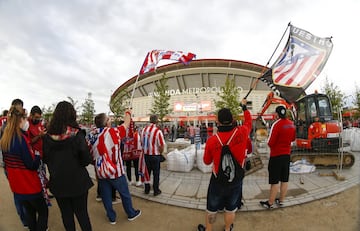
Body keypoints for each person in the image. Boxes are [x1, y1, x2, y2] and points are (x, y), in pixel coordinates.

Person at [198, 99, 251, 231]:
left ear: (218, 122)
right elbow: (249, 122)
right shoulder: (242, 132)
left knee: (212, 208)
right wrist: (244, 108)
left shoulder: (212, 141)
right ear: (232, 119)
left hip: (217, 181)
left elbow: (206, 161)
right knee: (231, 208)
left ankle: (209, 229)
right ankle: (227, 228)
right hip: (236, 179)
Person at [43, 101, 93, 231]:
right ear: (72, 115)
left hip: (58, 183)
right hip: (78, 182)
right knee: (82, 214)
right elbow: (86, 159)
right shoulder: (77, 135)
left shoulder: (47, 137)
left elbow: (46, 159)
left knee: (66, 214)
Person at [1, 104, 49, 231]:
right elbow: (31, 165)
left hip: (17, 186)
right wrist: (38, 155)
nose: (26, 121)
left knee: (30, 214)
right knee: (43, 212)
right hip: (30, 185)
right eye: (25, 118)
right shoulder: (21, 139)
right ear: (20, 120)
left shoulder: (5, 139)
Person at [87, 112, 141, 224]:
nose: (110, 120)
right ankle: (131, 213)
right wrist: (128, 112)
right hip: (116, 171)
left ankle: (111, 217)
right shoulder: (112, 132)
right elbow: (126, 123)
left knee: (106, 196)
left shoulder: (91, 135)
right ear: (106, 123)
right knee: (124, 194)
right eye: (108, 119)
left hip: (101, 171)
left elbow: (89, 153)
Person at [260, 105, 296, 209]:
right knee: (285, 179)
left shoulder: (276, 125)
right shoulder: (291, 124)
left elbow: (270, 143)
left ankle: (270, 203)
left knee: (274, 181)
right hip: (286, 155)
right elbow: (293, 139)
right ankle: (281, 200)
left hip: (276, 156)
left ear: (277, 114)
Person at [140, 114, 165, 196]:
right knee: (156, 174)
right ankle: (155, 190)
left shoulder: (143, 130)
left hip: (146, 155)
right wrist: (160, 153)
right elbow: (161, 145)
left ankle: (146, 189)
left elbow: (141, 142)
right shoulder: (158, 131)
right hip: (155, 155)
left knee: (147, 173)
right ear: (157, 121)